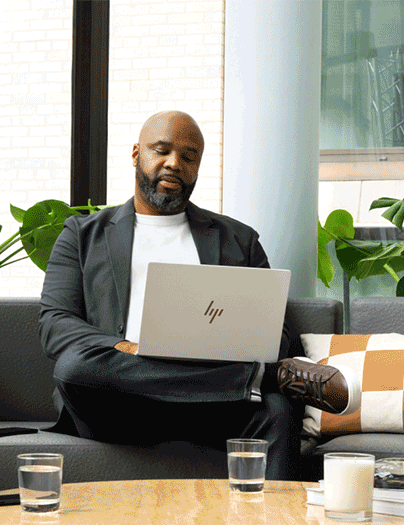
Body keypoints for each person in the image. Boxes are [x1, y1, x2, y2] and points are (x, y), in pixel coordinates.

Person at [38, 110, 359, 481]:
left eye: (189, 157)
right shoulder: (82, 235)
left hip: (218, 411)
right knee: (74, 369)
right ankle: (258, 378)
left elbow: (279, 333)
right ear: (135, 154)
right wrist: (125, 349)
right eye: (161, 151)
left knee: (279, 410)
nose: (174, 163)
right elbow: (55, 325)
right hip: (122, 404)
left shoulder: (239, 241)